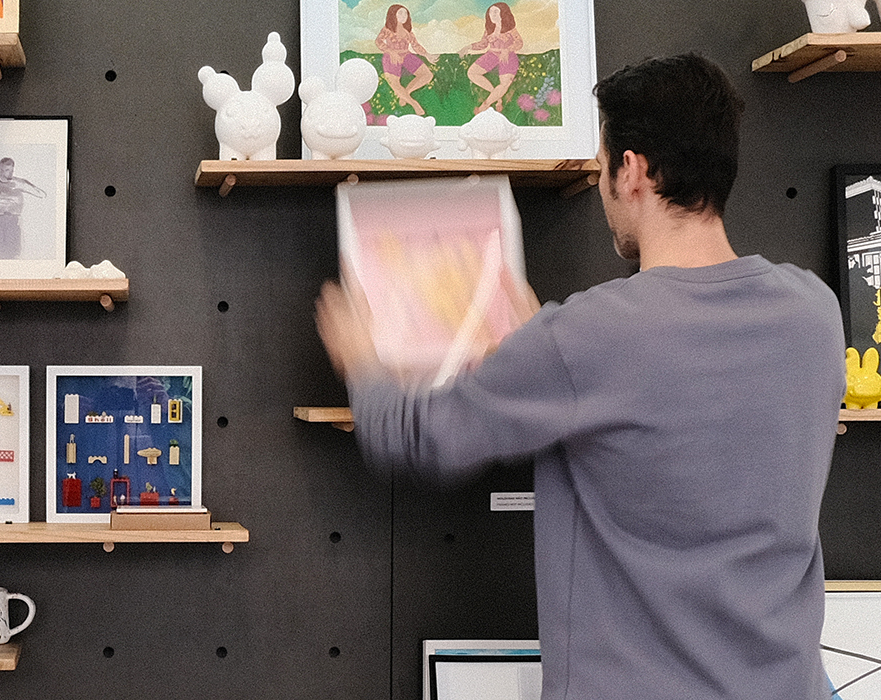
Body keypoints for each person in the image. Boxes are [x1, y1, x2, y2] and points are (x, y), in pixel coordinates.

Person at [317, 54, 842, 699]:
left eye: (601, 167)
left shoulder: (590, 336)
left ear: (633, 171)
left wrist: (362, 362)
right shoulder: (815, 312)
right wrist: (541, 347)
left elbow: (418, 437)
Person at [375, 4, 436, 116]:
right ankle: (414, 104)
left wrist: (427, 54)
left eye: (406, 13)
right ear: (393, 15)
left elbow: (416, 46)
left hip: (406, 55)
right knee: (394, 83)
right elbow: (378, 42)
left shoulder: (408, 32)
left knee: (427, 75)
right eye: (400, 13)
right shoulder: (387, 30)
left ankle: (405, 94)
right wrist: (391, 51)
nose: (404, 16)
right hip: (391, 56)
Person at [462, 2, 521, 114]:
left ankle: (484, 106)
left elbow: (519, 43)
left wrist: (507, 50)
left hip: (507, 57)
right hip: (492, 55)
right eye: (490, 12)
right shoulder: (489, 30)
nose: (492, 14)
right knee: (472, 73)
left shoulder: (510, 29)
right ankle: (497, 97)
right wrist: (469, 47)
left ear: (502, 13)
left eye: (495, 12)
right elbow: (483, 44)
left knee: (505, 84)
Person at [0, 157, 46, 259]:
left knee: (14, 253)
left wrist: (26, 186)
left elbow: (42, 194)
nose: (10, 173)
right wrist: (2, 200)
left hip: (14, 221)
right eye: (7, 170)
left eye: (12, 170)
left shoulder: (18, 182)